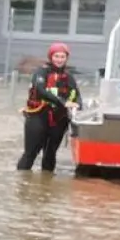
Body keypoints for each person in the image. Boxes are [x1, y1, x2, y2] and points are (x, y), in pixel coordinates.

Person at [17, 42, 82, 172]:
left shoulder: (69, 77)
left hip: (59, 119)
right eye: (56, 56)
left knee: (50, 154)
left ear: (66, 58)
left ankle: (46, 186)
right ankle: (22, 186)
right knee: (30, 153)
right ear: (51, 57)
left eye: (62, 57)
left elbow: (77, 97)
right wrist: (63, 102)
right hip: (38, 115)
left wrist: (78, 107)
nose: (59, 59)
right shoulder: (41, 72)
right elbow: (41, 90)